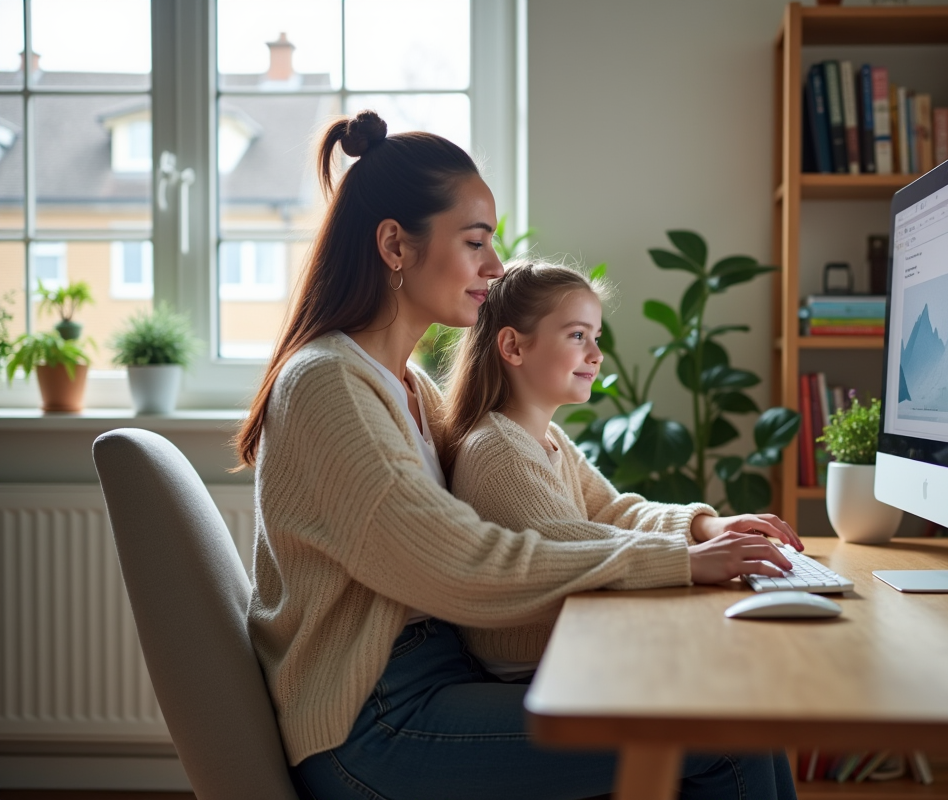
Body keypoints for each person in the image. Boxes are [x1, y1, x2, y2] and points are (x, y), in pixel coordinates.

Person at [236, 109, 800, 800]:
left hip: (431, 685)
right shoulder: (328, 384)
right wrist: (676, 562)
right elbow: (459, 561)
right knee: (726, 739)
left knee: (735, 722)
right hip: (375, 723)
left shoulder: (406, 388)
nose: (494, 267)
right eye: (475, 242)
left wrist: (699, 530)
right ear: (395, 245)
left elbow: (597, 507)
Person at [442, 260, 804, 682]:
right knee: (739, 705)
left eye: (595, 337)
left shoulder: (544, 438)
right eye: (578, 336)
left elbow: (614, 514)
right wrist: (687, 560)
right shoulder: (498, 452)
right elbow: (572, 551)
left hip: (572, 647)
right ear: (514, 347)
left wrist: (706, 527)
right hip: (537, 671)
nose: (597, 355)